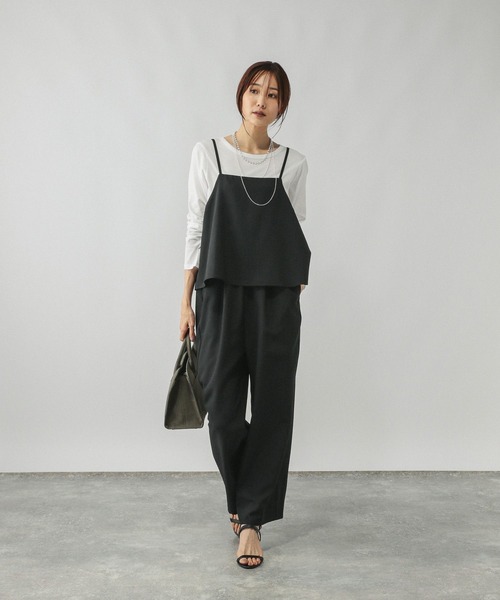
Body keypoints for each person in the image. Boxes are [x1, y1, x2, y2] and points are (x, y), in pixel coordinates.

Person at [179, 61, 311, 569]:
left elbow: (294, 229)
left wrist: (293, 285)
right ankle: (242, 497)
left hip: (275, 300)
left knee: (274, 408)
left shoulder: (293, 164)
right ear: (241, 96)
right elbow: (195, 228)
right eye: (254, 90)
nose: (261, 100)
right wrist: (185, 301)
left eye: (272, 94)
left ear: (281, 106)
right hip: (219, 296)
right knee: (223, 410)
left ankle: (251, 520)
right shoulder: (209, 153)